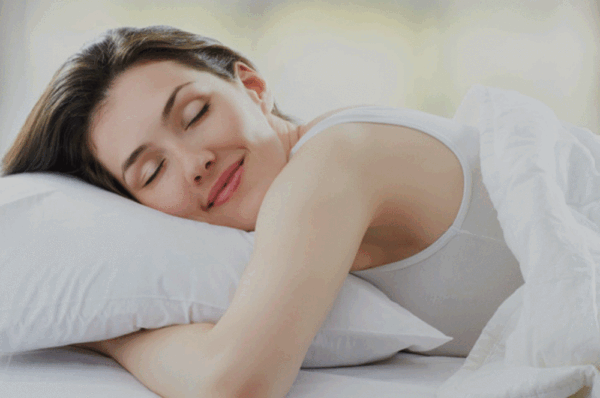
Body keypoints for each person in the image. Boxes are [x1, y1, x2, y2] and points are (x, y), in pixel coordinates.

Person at [2, 26, 523, 398]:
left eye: (196, 113)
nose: (195, 162)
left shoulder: (331, 164)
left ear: (252, 87)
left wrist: (112, 333)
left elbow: (231, 384)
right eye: (152, 172)